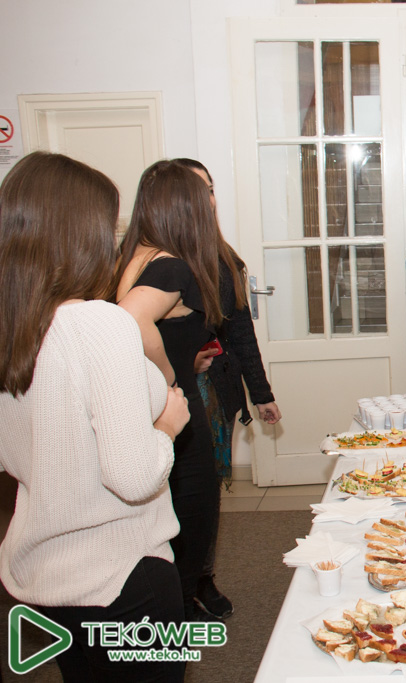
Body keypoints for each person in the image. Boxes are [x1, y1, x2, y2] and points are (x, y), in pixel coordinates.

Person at [0, 152, 190, 680]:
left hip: (46, 579)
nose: (114, 242)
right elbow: (133, 477)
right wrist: (166, 427)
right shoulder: (97, 325)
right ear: (78, 234)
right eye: (108, 227)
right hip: (121, 574)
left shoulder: (15, 326)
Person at [115, 160, 224, 622]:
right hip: (174, 413)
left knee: (157, 524)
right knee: (190, 523)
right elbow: (130, 319)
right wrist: (170, 376)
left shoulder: (129, 255)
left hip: (135, 409)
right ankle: (170, 624)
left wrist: (181, 356)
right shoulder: (172, 266)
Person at [174, 158, 282, 620]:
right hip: (166, 396)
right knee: (174, 496)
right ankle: (177, 587)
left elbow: (241, 334)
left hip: (216, 393)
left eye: (211, 188)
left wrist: (262, 393)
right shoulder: (154, 263)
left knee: (205, 494)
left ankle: (202, 577)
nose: (208, 198)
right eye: (197, 190)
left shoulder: (224, 259)